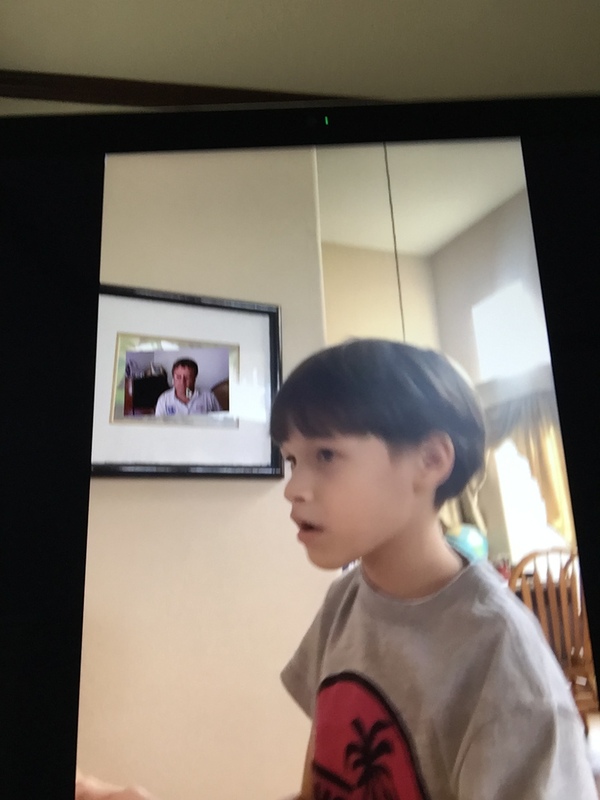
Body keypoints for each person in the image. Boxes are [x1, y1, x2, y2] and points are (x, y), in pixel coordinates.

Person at [269, 338, 597, 800]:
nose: (294, 488)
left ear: (431, 460)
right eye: (291, 460)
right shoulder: (343, 602)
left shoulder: (503, 663)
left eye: (325, 456)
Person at [154, 358, 221, 416]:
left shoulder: (209, 398)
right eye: (178, 377)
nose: (182, 381)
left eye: (187, 377)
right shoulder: (164, 400)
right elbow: (158, 426)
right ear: (173, 378)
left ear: (194, 379)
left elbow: (220, 422)